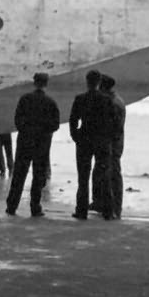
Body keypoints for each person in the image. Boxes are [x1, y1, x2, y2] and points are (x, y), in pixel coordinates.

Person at [5, 71, 61, 217]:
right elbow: (55, 124)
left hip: (25, 141)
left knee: (19, 174)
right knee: (38, 176)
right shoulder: (50, 102)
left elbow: (17, 120)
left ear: (34, 82)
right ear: (46, 83)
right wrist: (43, 131)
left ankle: (12, 206)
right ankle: (35, 207)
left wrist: (27, 130)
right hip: (42, 144)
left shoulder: (25, 99)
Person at [67, 70, 104, 219]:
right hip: (100, 141)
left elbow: (73, 120)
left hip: (84, 140)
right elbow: (111, 121)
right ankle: (106, 209)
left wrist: (76, 136)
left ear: (87, 82)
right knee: (102, 175)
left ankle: (81, 210)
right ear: (99, 82)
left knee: (83, 178)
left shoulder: (80, 98)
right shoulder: (105, 100)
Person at [100, 74, 127, 220]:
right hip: (114, 144)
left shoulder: (113, 103)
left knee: (113, 176)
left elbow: (114, 128)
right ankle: (111, 206)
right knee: (111, 175)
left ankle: (115, 208)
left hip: (112, 145)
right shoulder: (117, 100)